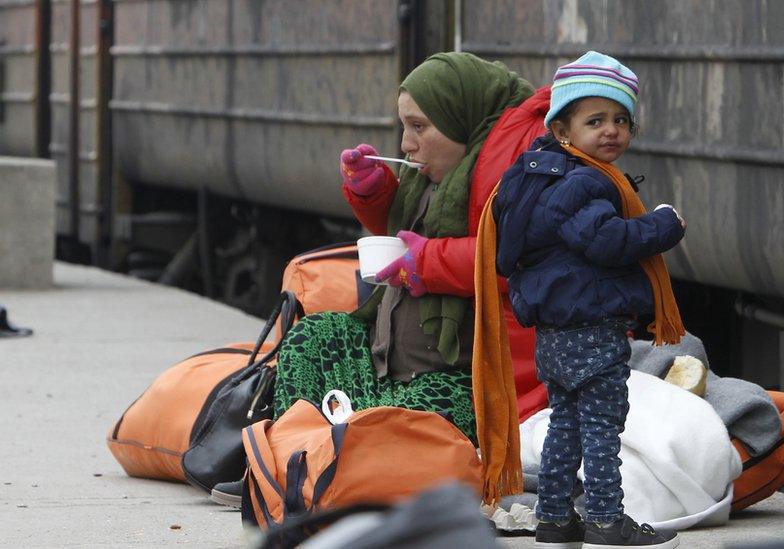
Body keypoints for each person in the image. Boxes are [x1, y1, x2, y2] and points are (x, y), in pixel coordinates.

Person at [267, 52, 541, 496]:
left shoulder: (512, 179)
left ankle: (335, 470)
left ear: (460, 120)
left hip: (457, 379)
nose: (405, 144)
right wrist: (372, 193)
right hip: (390, 365)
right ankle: (290, 463)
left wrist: (426, 263)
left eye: (419, 127)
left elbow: (514, 260)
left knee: (396, 417)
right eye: (404, 126)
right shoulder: (431, 178)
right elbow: (403, 230)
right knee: (313, 337)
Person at [491, 51, 686, 548]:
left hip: (555, 332)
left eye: (621, 119)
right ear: (562, 131)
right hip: (591, 329)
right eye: (594, 120)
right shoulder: (583, 182)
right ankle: (604, 517)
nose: (611, 131)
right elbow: (606, 241)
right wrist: (663, 224)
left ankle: (555, 518)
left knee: (566, 427)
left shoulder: (540, 178)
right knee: (602, 427)